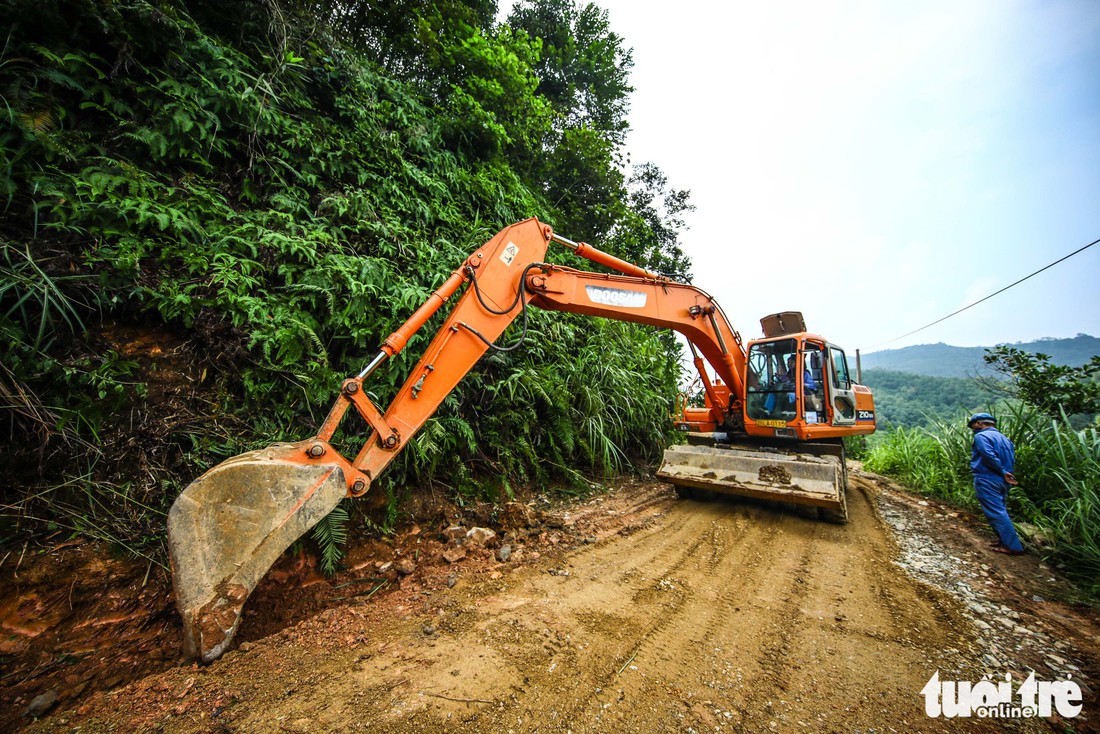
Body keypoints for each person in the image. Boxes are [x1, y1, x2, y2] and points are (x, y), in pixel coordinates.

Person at [968, 413, 1025, 555]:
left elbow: (988, 455)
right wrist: (1006, 474)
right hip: (1004, 481)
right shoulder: (1005, 439)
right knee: (1000, 509)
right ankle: (1003, 540)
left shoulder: (981, 437)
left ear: (979, 423)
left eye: (973, 425)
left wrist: (1001, 471)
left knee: (996, 512)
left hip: (988, 478)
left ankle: (1013, 546)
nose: (973, 428)